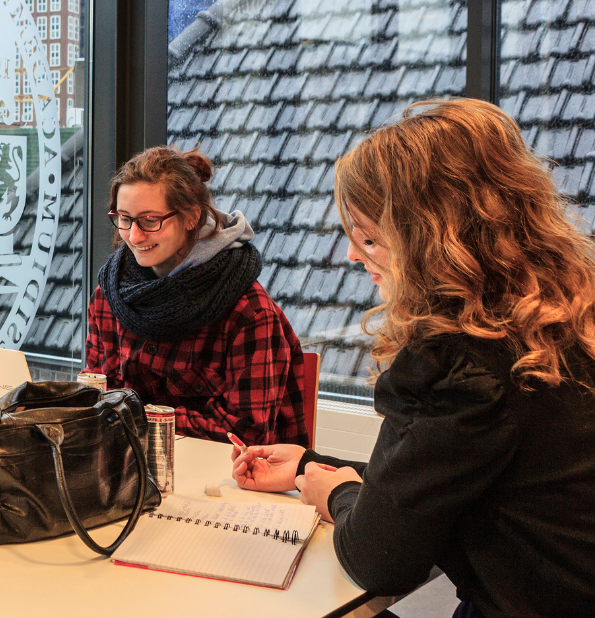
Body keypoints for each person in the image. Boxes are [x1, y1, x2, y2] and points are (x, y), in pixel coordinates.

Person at [231, 99, 595, 617]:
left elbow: (380, 561)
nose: (353, 255)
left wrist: (334, 495)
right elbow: (443, 474)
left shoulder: (461, 362)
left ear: (428, 238)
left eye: (370, 237)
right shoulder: (561, 322)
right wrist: (313, 467)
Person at [84, 146, 308, 446]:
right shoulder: (110, 294)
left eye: (150, 220)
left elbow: (246, 435)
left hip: (228, 483)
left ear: (191, 217)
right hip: (130, 470)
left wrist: (136, 417)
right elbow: (95, 394)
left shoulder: (249, 312)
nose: (134, 237)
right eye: (124, 218)